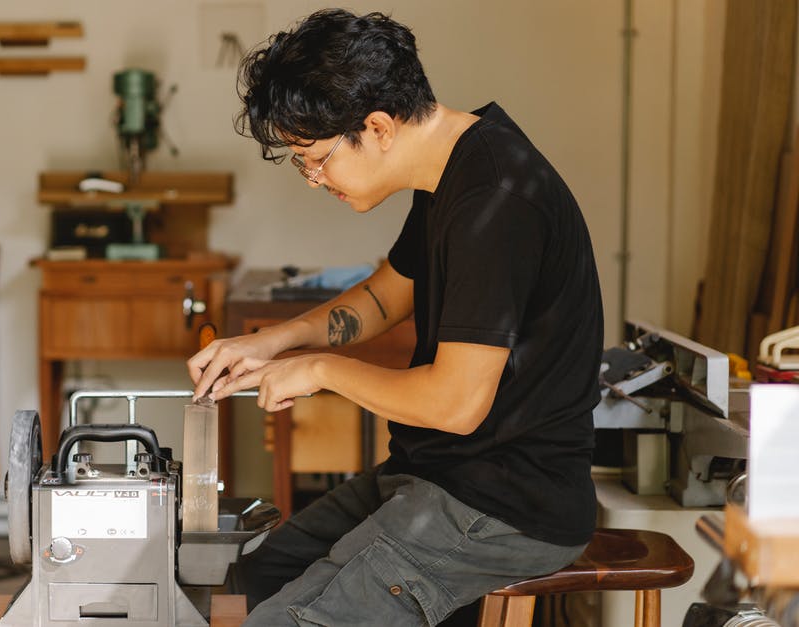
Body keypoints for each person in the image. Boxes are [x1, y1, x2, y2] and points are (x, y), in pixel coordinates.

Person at [187, 9, 604, 626]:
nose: (312, 179)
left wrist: (321, 369)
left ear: (377, 126)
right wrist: (272, 343)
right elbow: (385, 297)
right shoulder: (452, 169)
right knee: (262, 573)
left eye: (316, 159)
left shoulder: (496, 200)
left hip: (504, 503)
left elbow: (455, 404)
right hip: (439, 474)